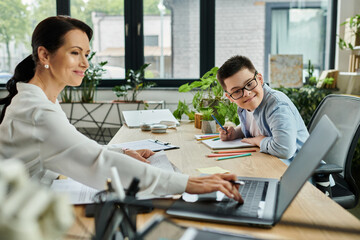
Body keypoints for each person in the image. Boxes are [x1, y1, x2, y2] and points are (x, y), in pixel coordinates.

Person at [0, 16, 242, 203]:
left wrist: (120, 150)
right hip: (21, 219)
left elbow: (70, 148)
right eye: (75, 53)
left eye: (86, 54)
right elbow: (97, 163)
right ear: (44, 54)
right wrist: (188, 182)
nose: (85, 63)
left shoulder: (42, 100)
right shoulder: (36, 112)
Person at [217, 55, 309, 165]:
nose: (246, 93)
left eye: (249, 84)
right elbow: (254, 126)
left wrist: (258, 140)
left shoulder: (277, 105)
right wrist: (235, 133)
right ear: (230, 97)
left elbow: (284, 150)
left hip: (297, 171)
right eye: (236, 91)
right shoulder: (245, 105)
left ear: (260, 79)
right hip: (268, 164)